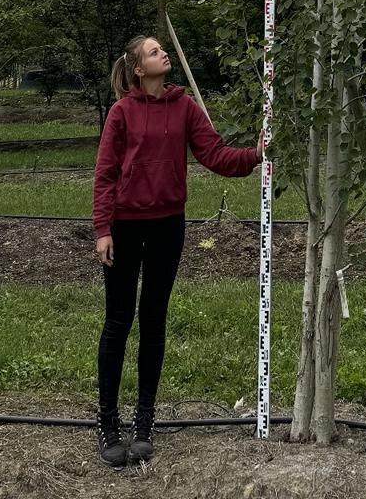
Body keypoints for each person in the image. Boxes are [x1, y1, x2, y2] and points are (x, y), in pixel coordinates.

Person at [92, 32, 262, 467]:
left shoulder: (185, 107)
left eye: (162, 49)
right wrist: (102, 229)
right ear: (137, 68)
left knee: (154, 320)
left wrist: (256, 154)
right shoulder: (121, 113)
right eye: (154, 51)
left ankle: (144, 422)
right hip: (125, 228)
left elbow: (215, 154)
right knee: (118, 321)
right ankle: (108, 424)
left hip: (168, 227)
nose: (163, 53)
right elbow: (106, 174)